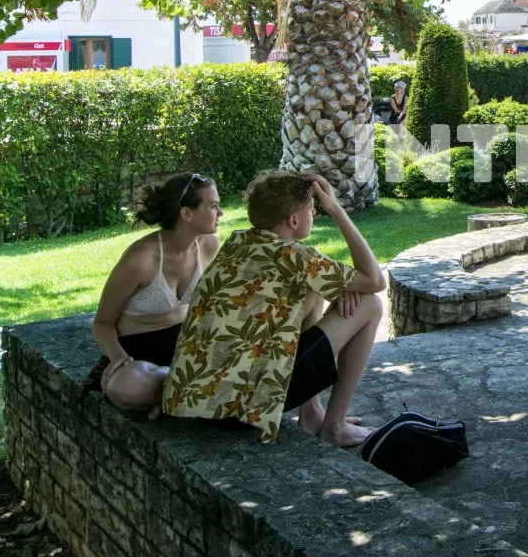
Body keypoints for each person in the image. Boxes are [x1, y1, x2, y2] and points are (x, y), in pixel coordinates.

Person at [161, 171, 387, 446]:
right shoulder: (294, 256)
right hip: (245, 409)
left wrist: (339, 286)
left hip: (201, 403)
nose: (315, 213)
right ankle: (335, 427)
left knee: (312, 291)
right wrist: (336, 209)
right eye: (312, 210)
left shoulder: (237, 242)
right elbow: (375, 281)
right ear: (294, 220)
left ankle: (312, 414)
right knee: (369, 304)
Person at [88, 173, 223, 413]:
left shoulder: (209, 244)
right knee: (128, 387)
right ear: (187, 213)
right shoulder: (141, 258)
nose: (220, 213)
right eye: (213, 206)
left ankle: (170, 395)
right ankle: (182, 392)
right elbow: (102, 323)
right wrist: (119, 359)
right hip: (139, 356)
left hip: (186, 346)